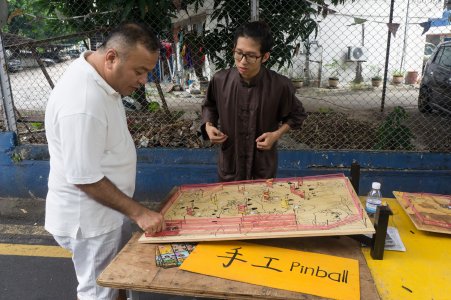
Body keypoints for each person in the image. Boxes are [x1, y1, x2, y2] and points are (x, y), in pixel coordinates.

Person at [45, 22, 165, 300]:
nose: (143, 80)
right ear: (111, 57)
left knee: (118, 278)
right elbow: (83, 176)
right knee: (99, 291)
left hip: (108, 212)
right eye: (140, 71)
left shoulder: (99, 77)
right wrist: (139, 213)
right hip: (90, 220)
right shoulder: (83, 102)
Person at [201, 21, 307, 182]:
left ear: (265, 56)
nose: (242, 61)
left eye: (251, 56)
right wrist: (209, 126)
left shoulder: (280, 85)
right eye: (238, 53)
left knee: (261, 205)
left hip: (262, 164)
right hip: (230, 163)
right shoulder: (220, 80)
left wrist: (276, 134)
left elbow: (297, 115)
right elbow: (210, 105)